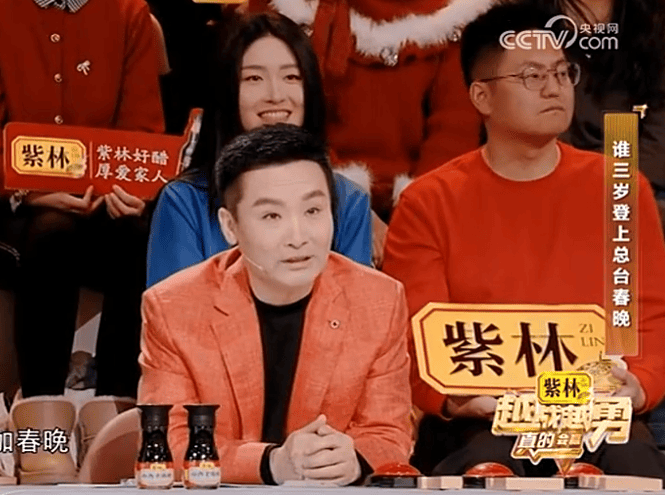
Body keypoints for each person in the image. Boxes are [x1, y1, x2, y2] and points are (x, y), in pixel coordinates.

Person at [382, 2, 665, 478]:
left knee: (632, 465)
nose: (554, 87)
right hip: (481, 416)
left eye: (562, 72)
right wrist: (453, 398)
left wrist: (639, 385)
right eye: (532, 76)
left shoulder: (620, 186)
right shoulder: (427, 201)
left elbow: (647, 314)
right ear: (481, 96)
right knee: (488, 464)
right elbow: (415, 335)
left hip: (593, 410)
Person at [0, 0, 165, 483]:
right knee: (53, 234)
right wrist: (32, 188)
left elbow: (141, 125)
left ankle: (115, 417)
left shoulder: (129, 12)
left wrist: (123, 190)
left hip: (96, 199)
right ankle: (41, 423)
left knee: (138, 236)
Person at [139, 124, 412, 486]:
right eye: (272, 216)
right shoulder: (173, 306)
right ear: (230, 226)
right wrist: (270, 463)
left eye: (313, 211)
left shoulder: (378, 300)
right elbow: (168, 442)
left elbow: (390, 432)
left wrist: (356, 459)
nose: (298, 237)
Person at [147, 11, 372, 288]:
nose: (276, 95)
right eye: (254, 78)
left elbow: (359, 307)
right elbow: (174, 310)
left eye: (292, 77)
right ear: (226, 91)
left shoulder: (350, 201)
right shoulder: (184, 202)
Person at [536, 0, 665, 447]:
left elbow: (657, 138)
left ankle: (635, 389)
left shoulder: (654, 24)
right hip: (551, 176)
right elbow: (535, 129)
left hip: (631, 179)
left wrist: (607, 182)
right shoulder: (527, 21)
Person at [246, 0, 489, 225]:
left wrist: (416, 214)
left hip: (415, 205)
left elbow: (453, 129)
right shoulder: (283, 10)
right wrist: (347, 202)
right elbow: (273, 115)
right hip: (302, 189)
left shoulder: (454, 15)